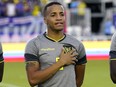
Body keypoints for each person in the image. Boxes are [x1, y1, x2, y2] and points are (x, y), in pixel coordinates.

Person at [24, 1, 87, 87]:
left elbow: (78, 81)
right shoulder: (34, 44)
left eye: (61, 14)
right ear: (45, 20)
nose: (59, 18)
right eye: (53, 15)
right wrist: (61, 62)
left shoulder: (77, 44)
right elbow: (33, 80)